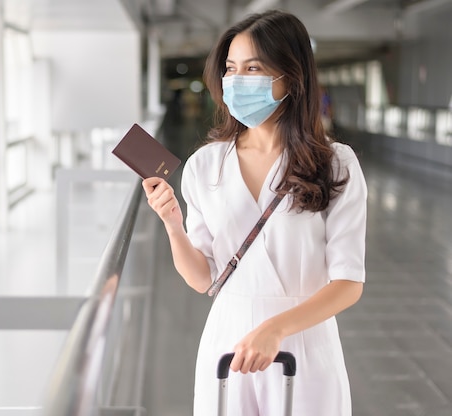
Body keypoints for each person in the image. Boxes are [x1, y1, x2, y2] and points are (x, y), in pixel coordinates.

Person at [142, 9, 366, 416]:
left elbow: (349, 283)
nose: (237, 81)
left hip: (304, 341)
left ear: (291, 77)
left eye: (253, 68)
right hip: (229, 341)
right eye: (231, 69)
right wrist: (173, 226)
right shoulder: (206, 166)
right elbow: (201, 278)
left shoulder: (336, 164)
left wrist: (276, 328)